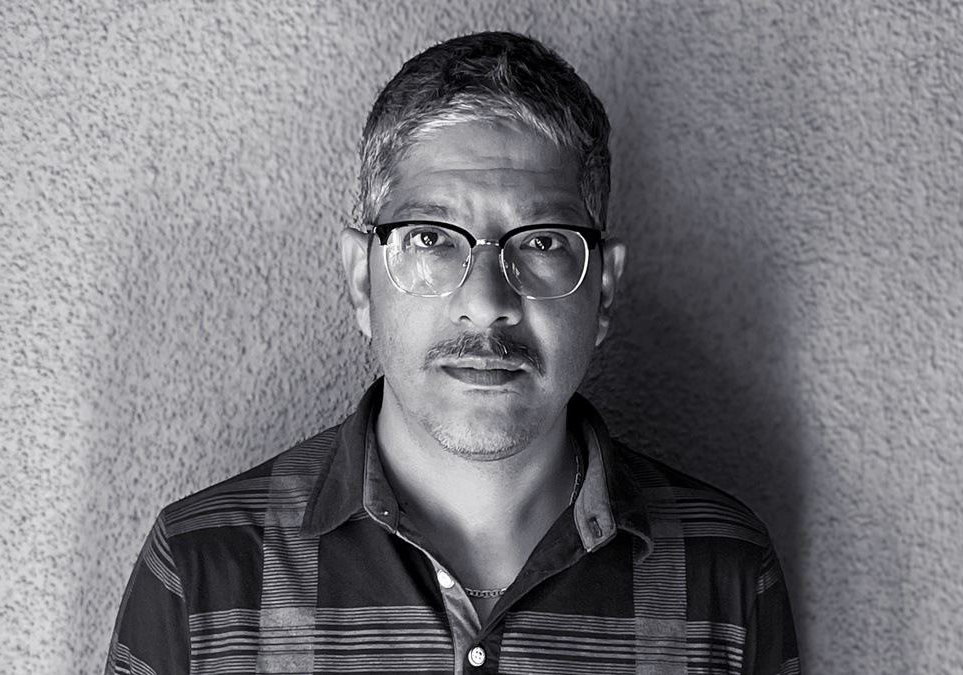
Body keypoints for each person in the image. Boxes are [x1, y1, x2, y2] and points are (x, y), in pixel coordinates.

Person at [106, 31, 799, 675]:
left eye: (543, 241)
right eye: (432, 239)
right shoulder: (201, 575)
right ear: (361, 281)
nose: (487, 301)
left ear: (605, 291)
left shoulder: (726, 573)